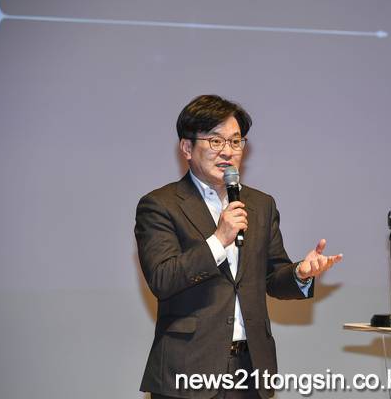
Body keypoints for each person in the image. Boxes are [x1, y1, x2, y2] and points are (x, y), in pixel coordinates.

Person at [135, 94, 343, 399]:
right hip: (188, 369)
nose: (228, 151)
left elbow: (272, 277)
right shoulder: (160, 205)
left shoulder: (260, 204)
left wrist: (300, 273)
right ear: (187, 148)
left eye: (235, 141)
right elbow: (163, 279)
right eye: (215, 141)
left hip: (250, 369)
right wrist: (219, 239)